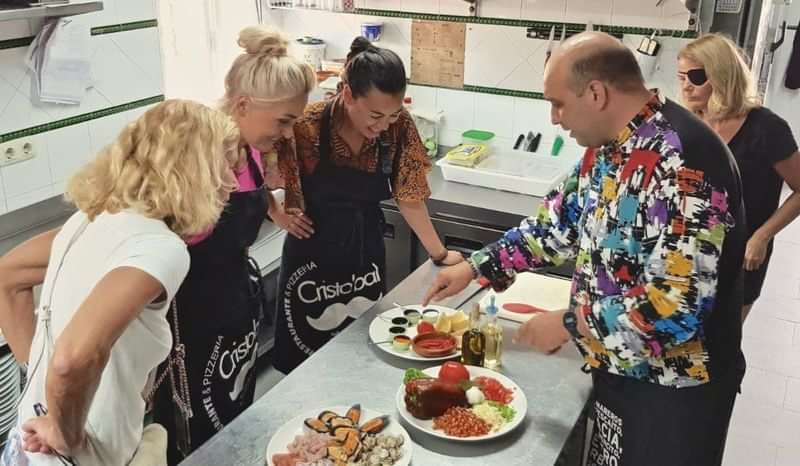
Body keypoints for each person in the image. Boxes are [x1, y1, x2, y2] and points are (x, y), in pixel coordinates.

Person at [424, 32, 747, 466]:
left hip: (675, 394)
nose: (555, 119)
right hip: (619, 369)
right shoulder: (610, 149)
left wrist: (571, 324)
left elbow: (676, 308)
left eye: (558, 103)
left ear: (596, 93)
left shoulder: (685, 163)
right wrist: (478, 267)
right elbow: (556, 225)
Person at [0, 99, 241, 466]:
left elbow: (7, 276)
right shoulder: (161, 248)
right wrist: (65, 432)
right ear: (191, 167)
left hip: (24, 450)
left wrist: (39, 376)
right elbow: (72, 358)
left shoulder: (89, 220)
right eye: (226, 163)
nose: (233, 181)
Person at [149, 26, 315, 464]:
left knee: (236, 412)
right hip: (192, 321)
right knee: (196, 436)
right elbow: (159, 236)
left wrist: (274, 210)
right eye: (283, 120)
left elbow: (250, 195)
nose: (287, 131)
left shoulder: (251, 147)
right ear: (243, 105)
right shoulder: (199, 156)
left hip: (235, 309)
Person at [271, 37, 464, 374]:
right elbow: (249, 163)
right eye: (375, 115)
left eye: (391, 115)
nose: (382, 125)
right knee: (305, 367)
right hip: (310, 258)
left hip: (364, 255)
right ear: (347, 95)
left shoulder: (399, 126)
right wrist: (274, 212)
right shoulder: (307, 124)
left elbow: (409, 195)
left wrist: (439, 254)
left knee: (361, 356)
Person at [678, 33, 800, 321]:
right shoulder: (688, 124)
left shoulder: (767, 128)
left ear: (721, 75)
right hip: (688, 253)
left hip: (741, 253)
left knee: (723, 345)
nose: (685, 86)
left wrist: (763, 236)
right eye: (681, 76)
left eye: (695, 77)